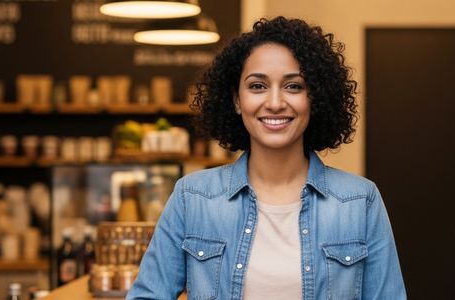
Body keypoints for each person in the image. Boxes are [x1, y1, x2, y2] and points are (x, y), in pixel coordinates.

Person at [127, 16, 406, 300]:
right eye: (257, 86)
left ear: (315, 98)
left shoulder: (361, 201)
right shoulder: (192, 197)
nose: (274, 103)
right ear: (236, 100)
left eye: (294, 86)